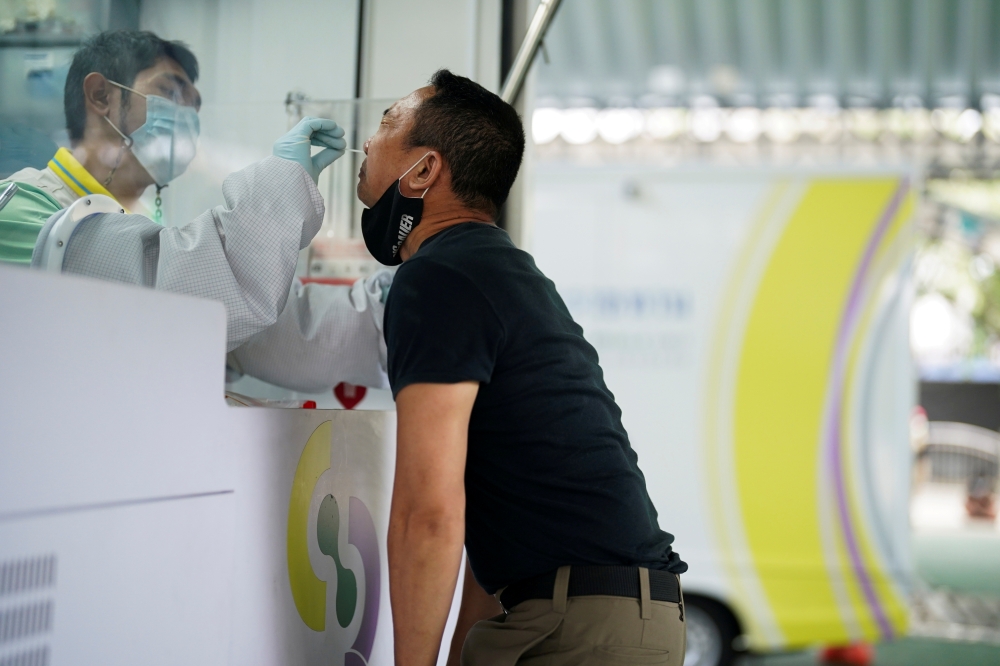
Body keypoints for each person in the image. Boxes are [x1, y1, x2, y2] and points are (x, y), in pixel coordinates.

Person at [360, 69, 687, 666]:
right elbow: (494, 536)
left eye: (386, 122)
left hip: (578, 626)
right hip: (604, 616)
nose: (366, 140)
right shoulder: (502, 272)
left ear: (425, 170)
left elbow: (427, 513)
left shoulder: (439, 278)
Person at [0, 30, 388, 389]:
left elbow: (282, 331)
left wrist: (397, 306)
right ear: (101, 95)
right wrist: (282, 184)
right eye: (171, 95)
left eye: (195, 108)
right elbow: (169, 294)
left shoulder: (149, 233)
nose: (187, 119)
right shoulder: (20, 209)